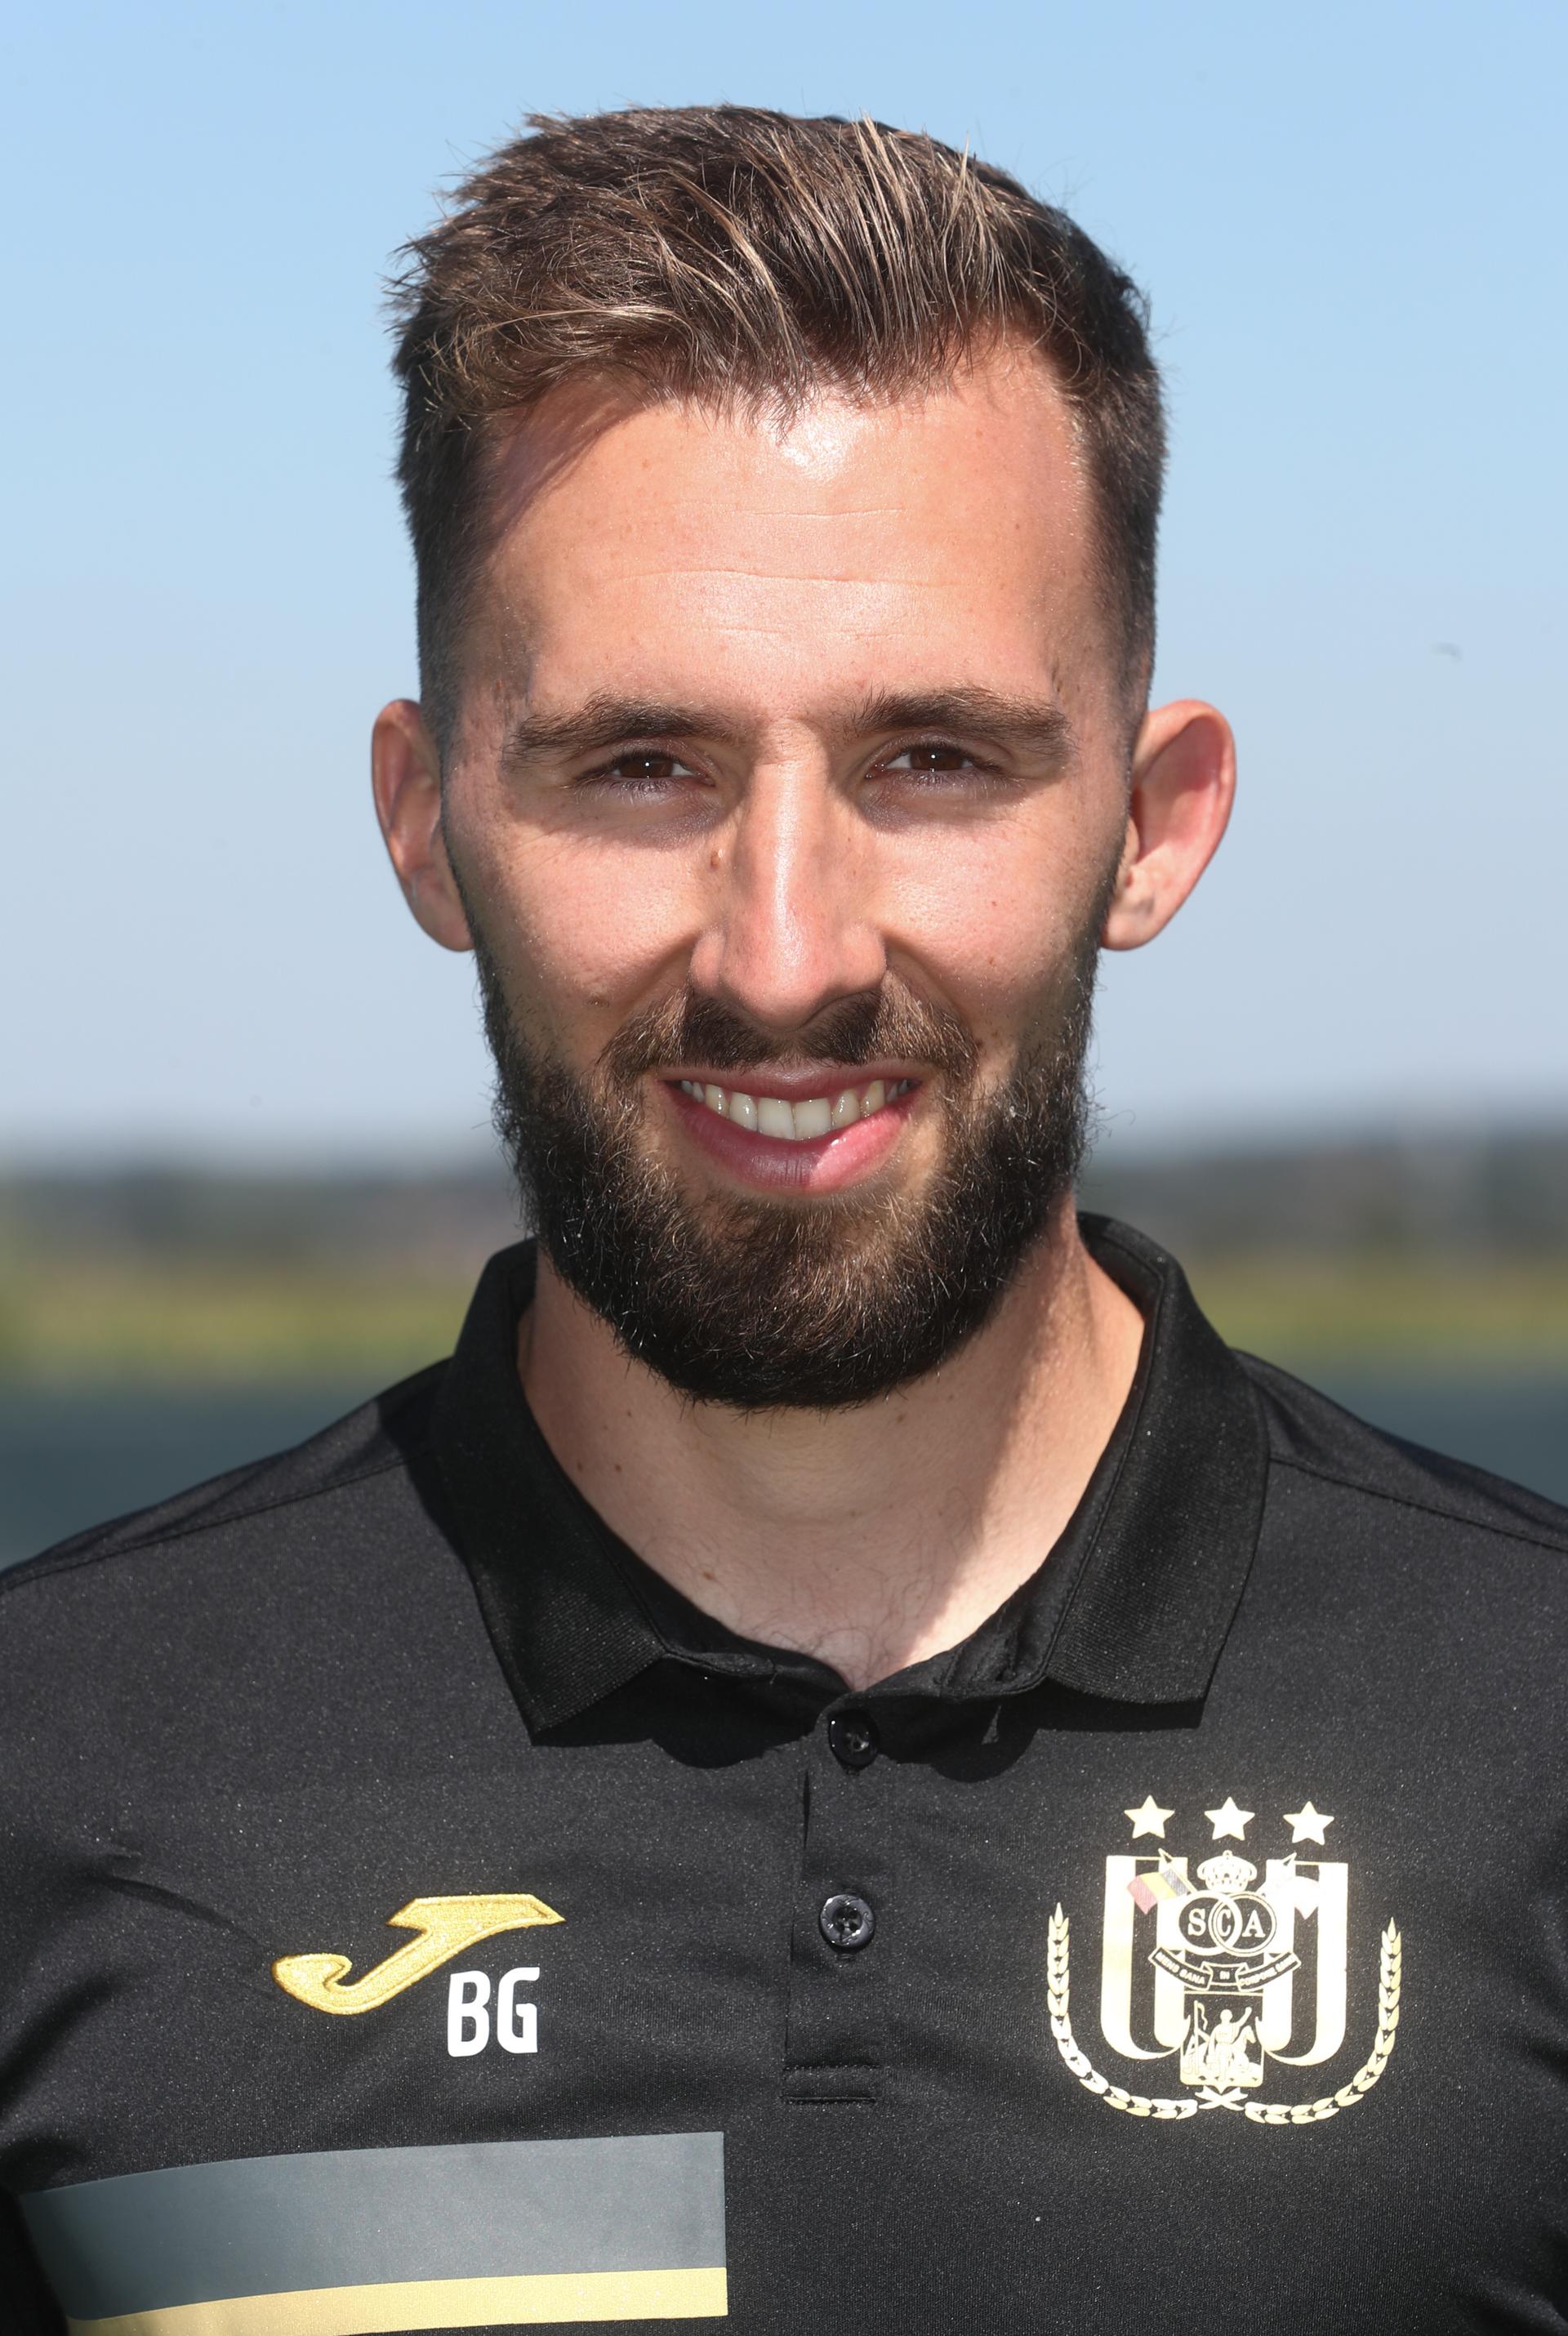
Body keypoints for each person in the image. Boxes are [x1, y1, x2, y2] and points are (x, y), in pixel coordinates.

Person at [2, 105, 1564, 2336]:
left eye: (934, 758)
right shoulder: (58, 1771)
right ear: (429, 822)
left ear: (1153, 815)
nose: (784, 949)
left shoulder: (1532, 1730)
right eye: (644, 765)